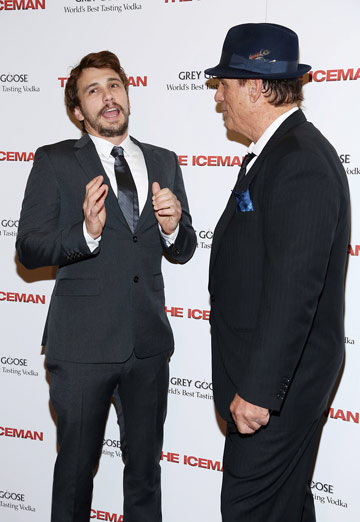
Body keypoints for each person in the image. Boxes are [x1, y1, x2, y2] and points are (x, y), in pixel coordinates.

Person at [16, 50, 196, 522]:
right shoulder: (54, 162)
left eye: (113, 85)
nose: (107, 97)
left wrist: (175, 227)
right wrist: (85, 234)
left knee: (145, 475)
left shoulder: (164, 161)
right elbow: (29, 248)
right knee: (75, 474)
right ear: (78, 111)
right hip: (80, 348)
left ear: (127, 94)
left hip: (148, 346)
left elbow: (183, 248)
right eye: (92, 91)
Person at [205, 23, 350, 521]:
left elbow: (295, 290)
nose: (218, 97)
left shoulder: (299, 160)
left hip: (274, 393)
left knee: (251, 511)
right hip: (274, 387)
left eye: (225, 84)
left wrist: (261, 391)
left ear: (257, 86)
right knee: (283, 509)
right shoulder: (278, 154)